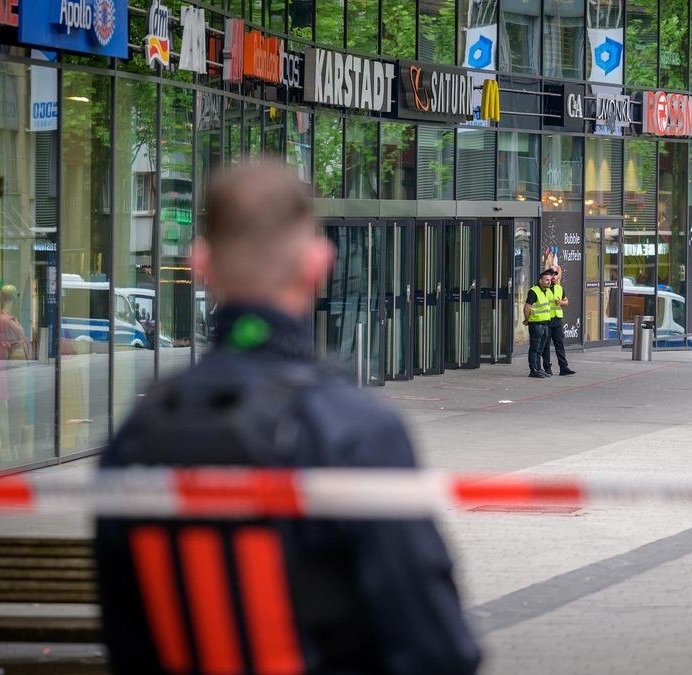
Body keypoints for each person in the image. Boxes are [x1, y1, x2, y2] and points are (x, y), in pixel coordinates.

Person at [94, 162, 481, 674]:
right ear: (318, 263)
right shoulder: (356, 431)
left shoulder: (138, 433)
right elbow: (437, 648)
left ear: (201, 263)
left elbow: (127, 635)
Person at [541, 267, 575, 377]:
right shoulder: (543, 288)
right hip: (546, 319)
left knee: (559, 345)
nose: (554, 277)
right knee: (545, 346)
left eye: (555, 275)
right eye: (552, 275)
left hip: (557, 320)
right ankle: (547, 368)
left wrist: (560, 302)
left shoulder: (559, 288)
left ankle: (563, 367)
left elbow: (566, 301)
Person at [524, 269, 555, 378]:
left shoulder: (546, 291)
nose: (549, 282)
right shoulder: (534, 291)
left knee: (540, 349)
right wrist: (527, 319)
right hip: (536, 324)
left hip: (545, 323)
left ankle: (539, 368)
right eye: (546, 280)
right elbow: (527, 307)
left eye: (550, 280)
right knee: (534, 348)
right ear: (540, 280)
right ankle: (533, 370)